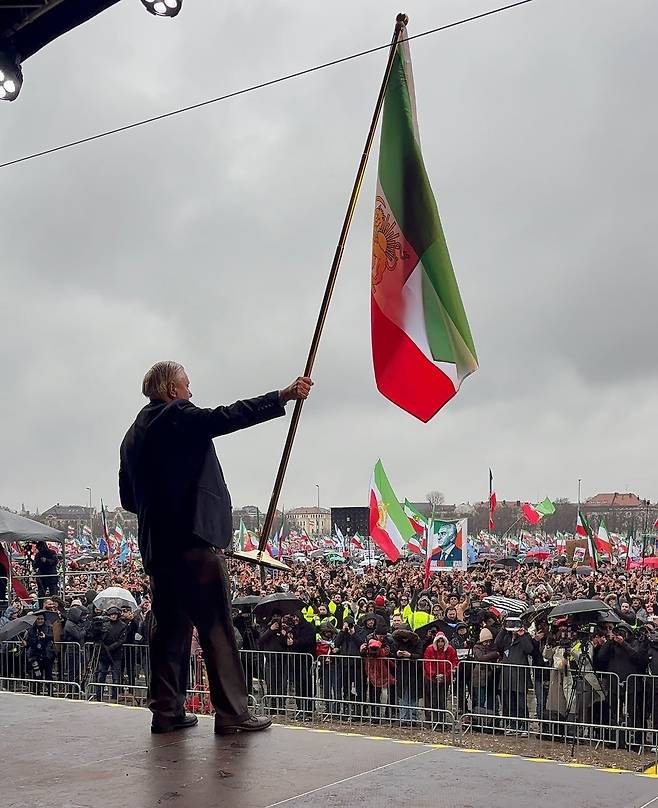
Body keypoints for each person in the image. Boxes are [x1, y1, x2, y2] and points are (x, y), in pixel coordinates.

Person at [119, 360, 312, 734]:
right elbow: (225, 416)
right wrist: (281, 397)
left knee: (169, 630)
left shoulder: (132, 436)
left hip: (157, 549)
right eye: (187, 385)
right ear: (172, 390)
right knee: (216, 628)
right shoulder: (177, 415)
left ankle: (166, 712)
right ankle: (232, 712)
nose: (191, 392)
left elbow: (129, 498)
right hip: (192, 542)